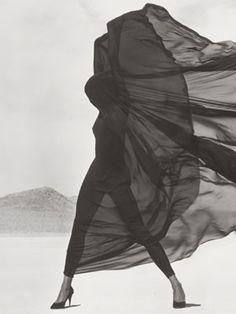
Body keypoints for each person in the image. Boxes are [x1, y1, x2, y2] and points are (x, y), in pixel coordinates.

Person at [51, 3, 236, 310]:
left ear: (100, 96)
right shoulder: (114, 112)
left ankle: (176, 286)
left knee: (140, 232)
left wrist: (120, 33)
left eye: (91, 96)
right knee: (81, 227)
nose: (90, 99)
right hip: (98, 175)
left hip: (115, 177)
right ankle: (65, 288)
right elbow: (112, 81)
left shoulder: (118, 116)